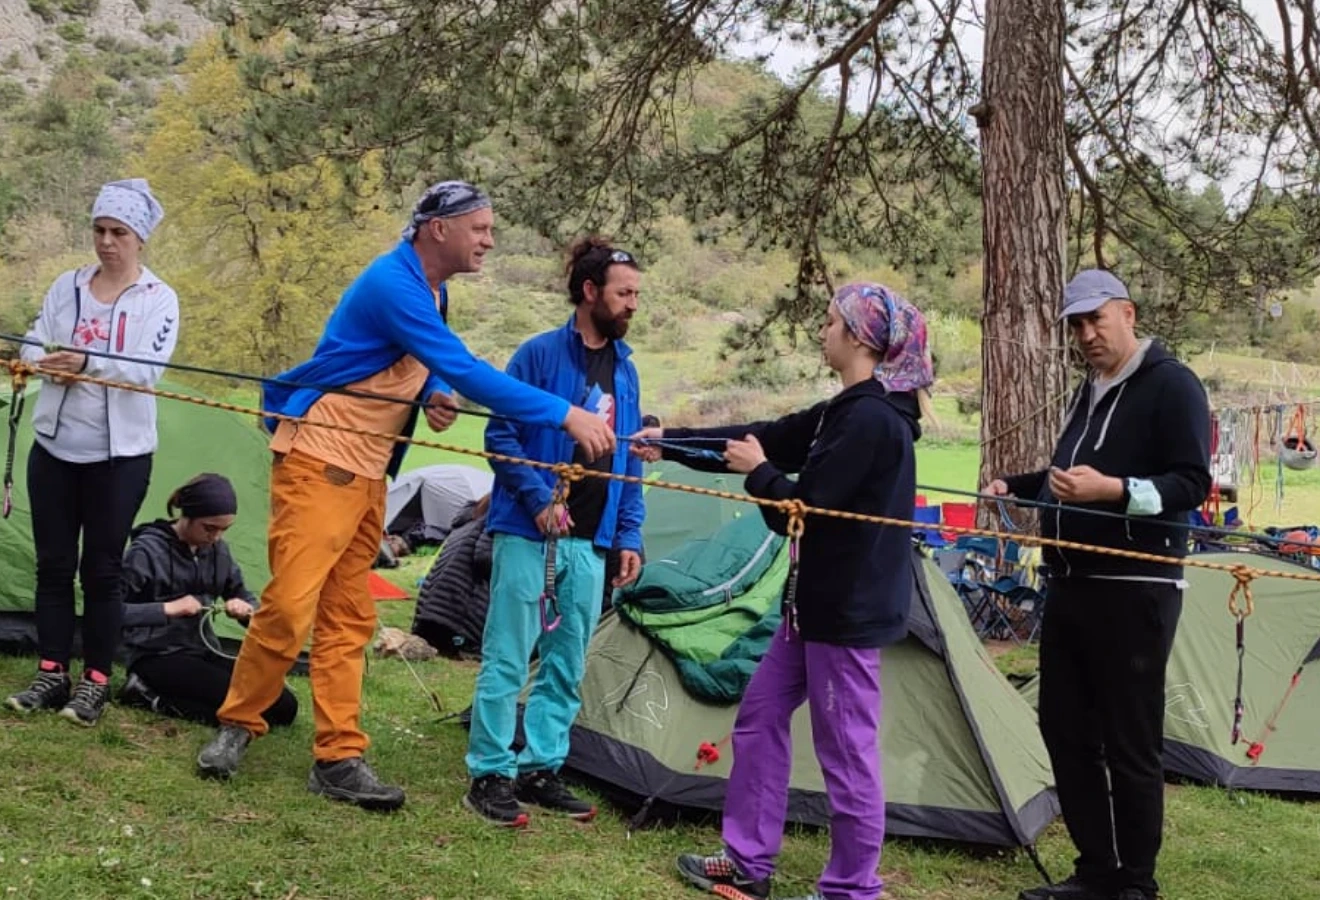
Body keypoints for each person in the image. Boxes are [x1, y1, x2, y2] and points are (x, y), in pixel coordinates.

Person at [194, 181, 615, 813]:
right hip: (319, 457)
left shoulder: (432, 289)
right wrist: (564, 415)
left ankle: (338, 757)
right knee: (289, 605)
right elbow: (466, 364)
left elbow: (436, 362)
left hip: (367, 474)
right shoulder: (393, 282)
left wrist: (435, 391)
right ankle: (238, 723)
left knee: (348, 617)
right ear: (438, 229)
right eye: (480, 228)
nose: (490, 240)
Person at [635, 282, 933, 900]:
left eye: (829, 323)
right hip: (810, 609)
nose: (821, 332)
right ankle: (748, 861)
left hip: (845, 616)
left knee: (846, 756)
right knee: (760, 718)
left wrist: (761, 475)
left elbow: (805, 511)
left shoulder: (875, 422)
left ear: (858, 337)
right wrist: (668, 441)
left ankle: (852, 889)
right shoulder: (843, 410)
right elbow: (761, 434)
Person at [986, 269, 1211, 900]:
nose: (1086, 334)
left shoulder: (1173, 385)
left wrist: (1113, 492)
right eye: (1076, 325)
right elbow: (1068, 476)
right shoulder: (1090, 391)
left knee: (1130, 743)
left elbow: (1191, 484)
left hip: (1135, 590)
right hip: (1070, 586)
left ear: (1128, 314)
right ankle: (1096, 873)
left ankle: (1137, 885)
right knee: (1065, 730)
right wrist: (1020, 484)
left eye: (1095, 320)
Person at [463, 237, 646, 827]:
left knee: (567, 663)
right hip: (528, 533)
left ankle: (540, 767)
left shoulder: (627, 370)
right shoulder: (538, 356)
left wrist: (629, 536)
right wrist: (540, 501)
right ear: (590, 292)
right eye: (624, 294)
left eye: (637, 295)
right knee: (509, 657)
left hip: (591, 542)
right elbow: (500, 438)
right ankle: (489, 772)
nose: (632, 305)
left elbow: (630, 459)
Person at [5, 179, 178, 727]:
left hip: (119, 459)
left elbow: (147, 370)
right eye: (100, 230)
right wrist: (29, 358)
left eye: (118, 232)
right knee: (53, 566)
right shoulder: (67, 285)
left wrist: (89, 364)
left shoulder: (159, 299)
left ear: (139, 238)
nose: (106, 242)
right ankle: (52, 672)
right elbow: (39, 334)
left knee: (101, 570)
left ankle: (96, 680)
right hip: (55, 448)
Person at [119, 473, 298, 728]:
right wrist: (168, 609)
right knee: (242, 710)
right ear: (187, 516)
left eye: (224, 529)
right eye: (210, 528)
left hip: (201, 650)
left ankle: (155, 695)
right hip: (155, 655)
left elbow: (243, 595)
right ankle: (143, 694)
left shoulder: (217, 551)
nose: (216, 537)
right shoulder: (145, 552)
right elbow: (109, 612)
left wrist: (245, 610)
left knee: (284, 707)